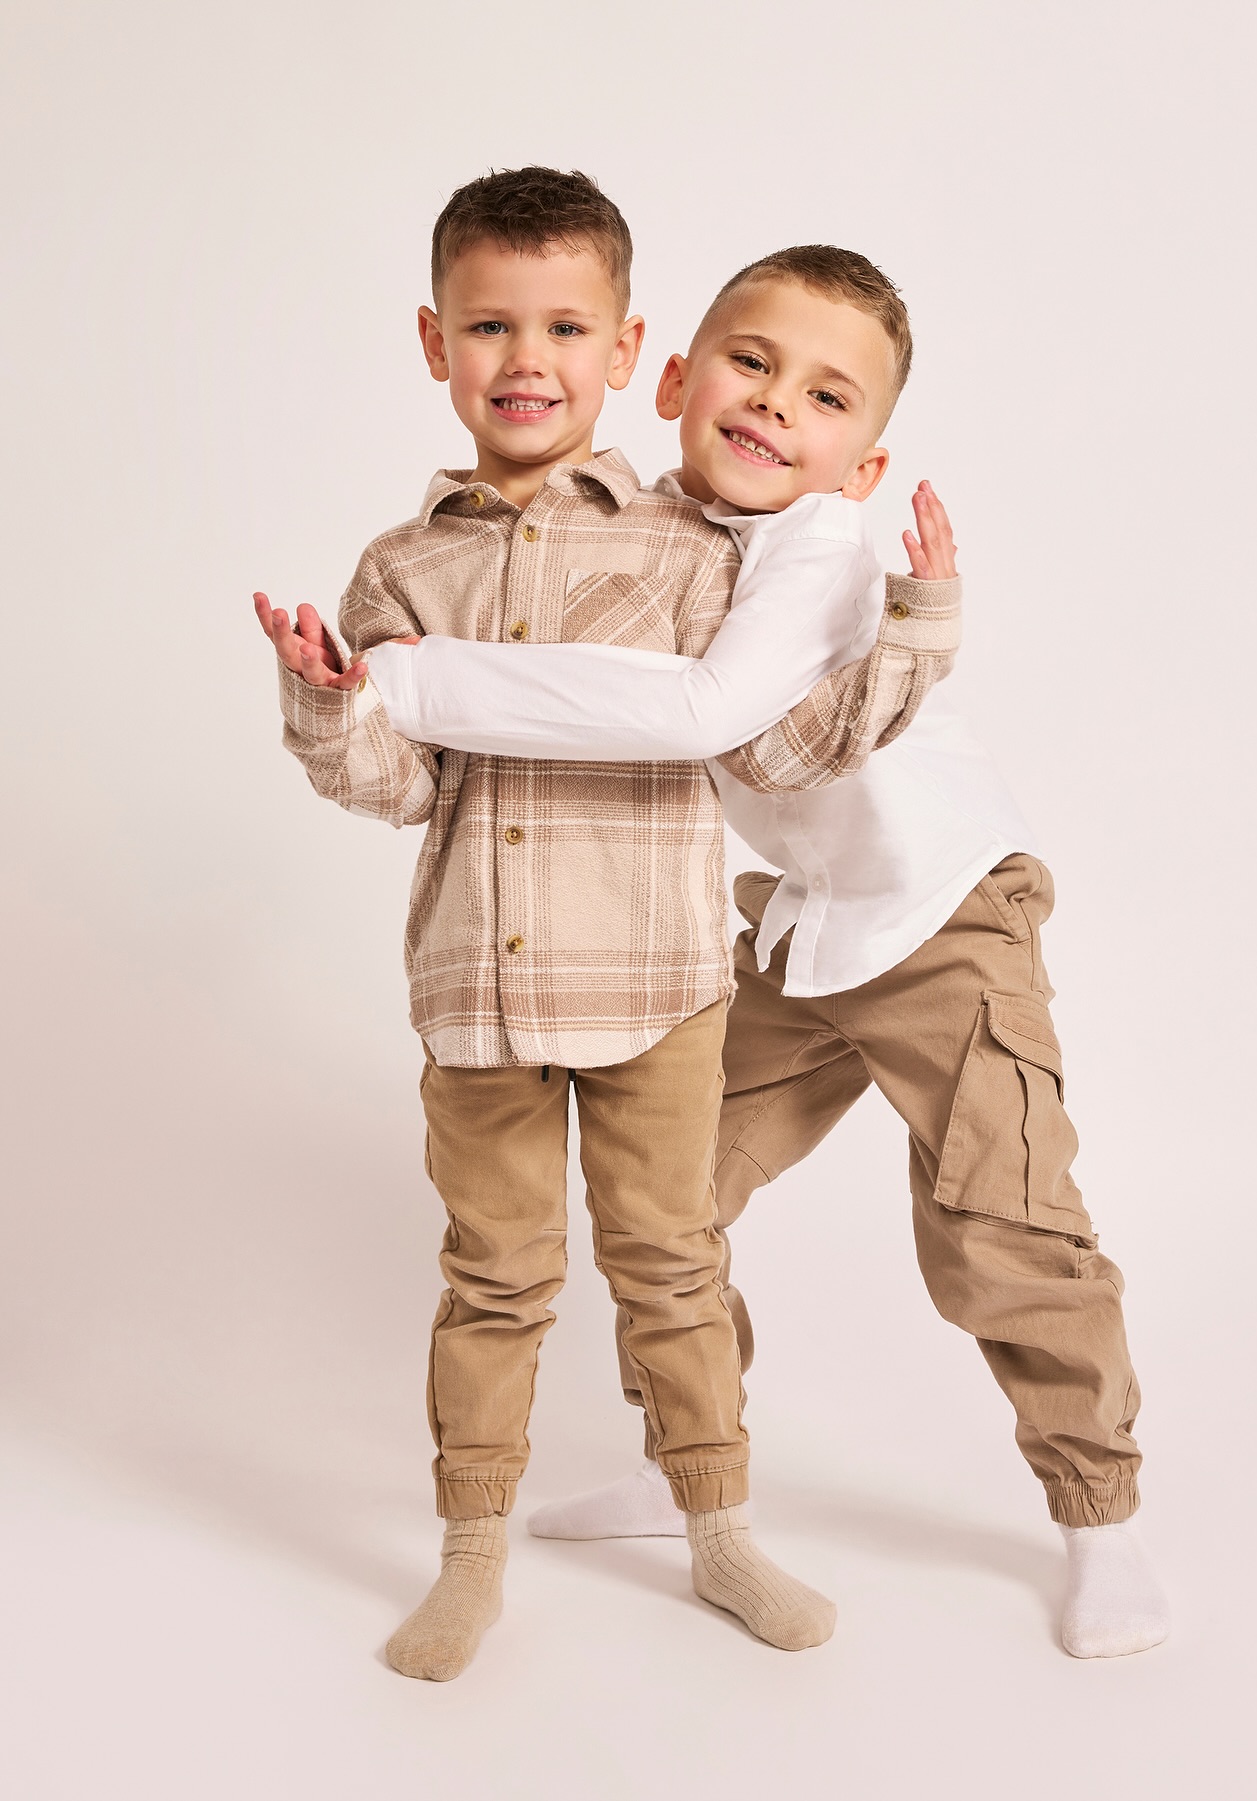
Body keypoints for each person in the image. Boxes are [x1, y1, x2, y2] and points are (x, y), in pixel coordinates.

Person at [366, 243, 1172, 1661]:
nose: (774, 406)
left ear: (861, 468)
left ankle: (1100, 1522)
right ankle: (689, 1467)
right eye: (750, 364)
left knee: (1001, 1222)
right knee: (665, 1209)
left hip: (942, 914)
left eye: (824, 396)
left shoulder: (811, 544)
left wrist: (415, 678)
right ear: (672, 376)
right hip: (799, 929)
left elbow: (709, 712)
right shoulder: (643, 530)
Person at [253, 171, 959, 1679]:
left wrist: (913, 629)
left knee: (674, 1263)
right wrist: (329, 703)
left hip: (656, 989)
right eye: (493, 324)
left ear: (632, 349)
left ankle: (718, 1531)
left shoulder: (695, 552)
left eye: (565, 325)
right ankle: (469, 1556)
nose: (529, 357)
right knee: (495, 1279)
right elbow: (393, 781)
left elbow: (774, 747)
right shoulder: (399, 569)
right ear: (436, 340)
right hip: (478, 1002)